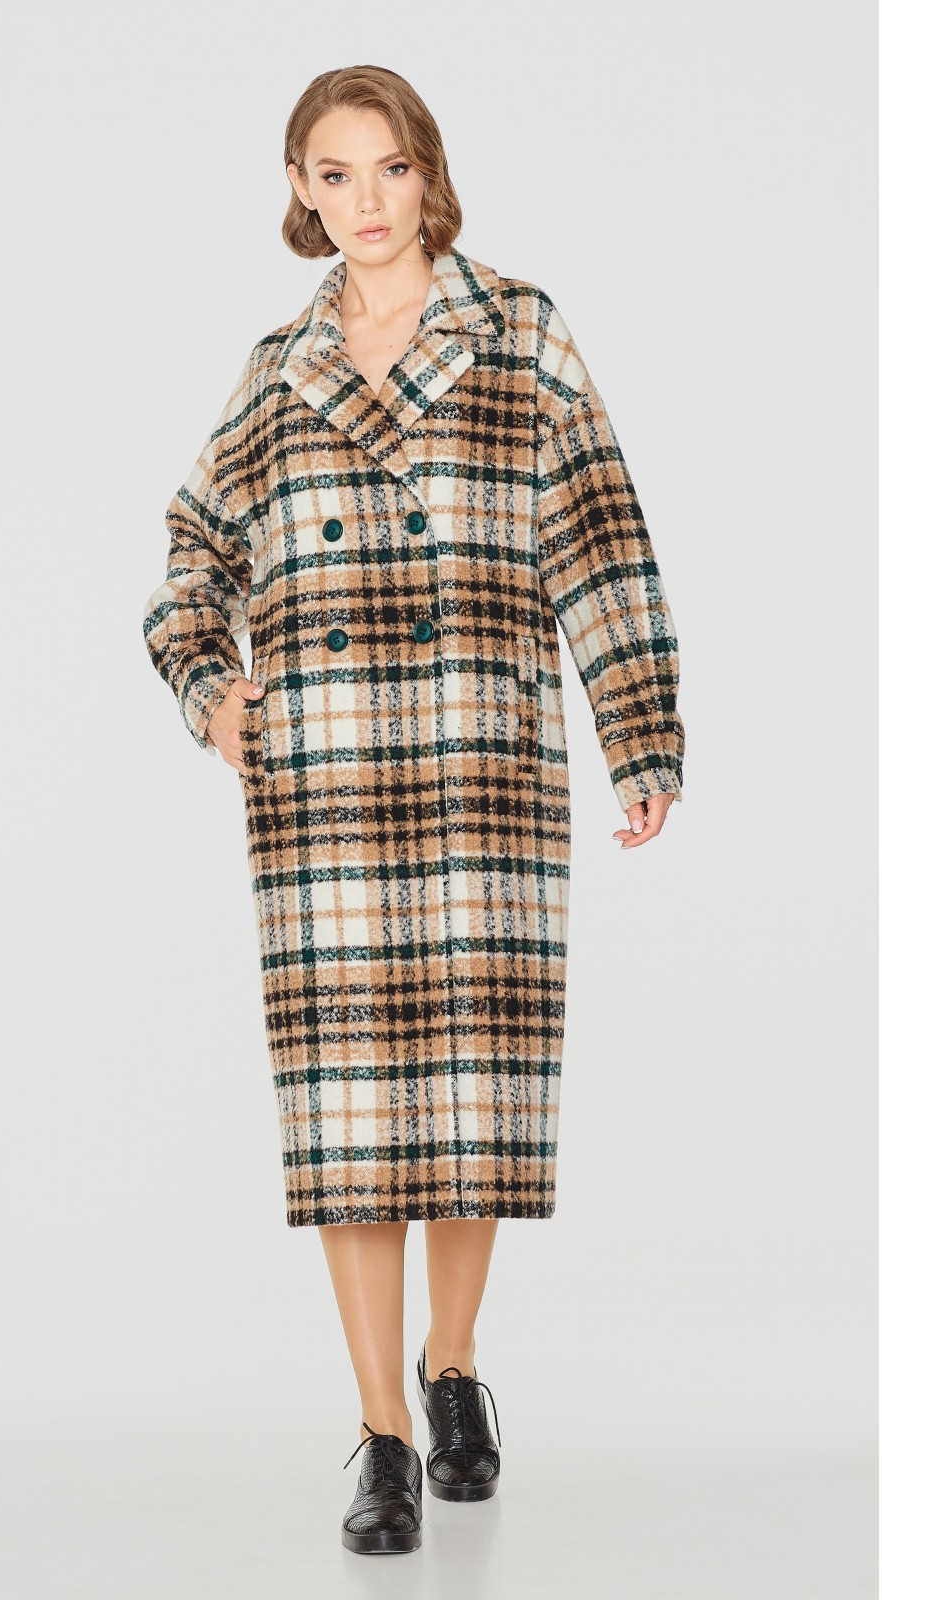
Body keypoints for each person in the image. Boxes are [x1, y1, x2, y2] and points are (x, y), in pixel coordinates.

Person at [142, 64, 685, 1556]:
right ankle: (383, 1430)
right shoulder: (275, 373)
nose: (365, 200)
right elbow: (190, 554)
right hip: (325, 785)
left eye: (387, 168)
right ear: (300, 191)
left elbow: (600, 535)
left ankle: (454, 1365)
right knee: (353, 1116)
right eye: (334, 174)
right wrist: (213, 689)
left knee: (471, 1095)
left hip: (479, 766)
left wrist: (639, 731)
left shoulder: (521, 331)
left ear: (427, 172)